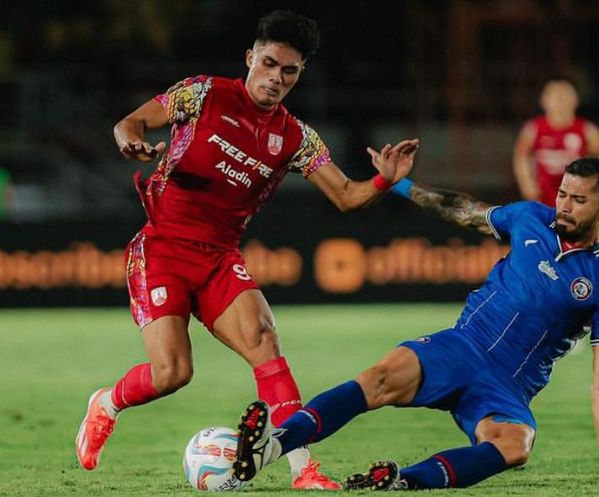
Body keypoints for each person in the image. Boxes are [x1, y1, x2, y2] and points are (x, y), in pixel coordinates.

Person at [74, 9, 419, 490]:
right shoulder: (204, 93)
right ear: (250, 58)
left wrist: (384, 179)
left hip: (218, 258)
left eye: (289, 71)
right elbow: (129, 123)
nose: (276, 78)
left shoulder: (296, 137)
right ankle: (106, 404)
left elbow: (346, 195)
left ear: (299, 76)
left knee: (265, 342)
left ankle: (305, 471)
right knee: (173, 372)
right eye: (270, 63)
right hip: (162, 248)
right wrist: (131, 140)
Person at [232, 158, 599, 490]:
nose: (564, 205)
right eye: (562, 193)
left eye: (578, 200)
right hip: (461, 347)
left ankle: (400, 481)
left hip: (508, 385)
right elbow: (463, 209)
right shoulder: (529, 218)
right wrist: (398, 184)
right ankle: (272, 446)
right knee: (379, 377)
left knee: (517, 445)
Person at [513, 77, 599, 206]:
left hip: (575, 197)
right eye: (554, 94)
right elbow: (521, 157)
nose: (559, 99)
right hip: (542, 196)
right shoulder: (532, 129)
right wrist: (526, 183)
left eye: (565, 94)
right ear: (543, 100)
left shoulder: (588, 130)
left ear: (576, 99)